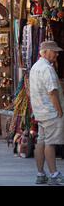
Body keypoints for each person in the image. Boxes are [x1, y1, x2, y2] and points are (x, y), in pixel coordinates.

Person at [29, 41, 64, 185]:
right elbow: (52, 92)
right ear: (46, 51)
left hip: (40, 111)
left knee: (41, 142)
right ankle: (54, 174)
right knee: (50, 143)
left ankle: (40, 173)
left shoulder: (35, 67)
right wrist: (60, 111)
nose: (56, 54)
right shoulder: (47, 69)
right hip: (51, 112)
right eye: (54, 51)